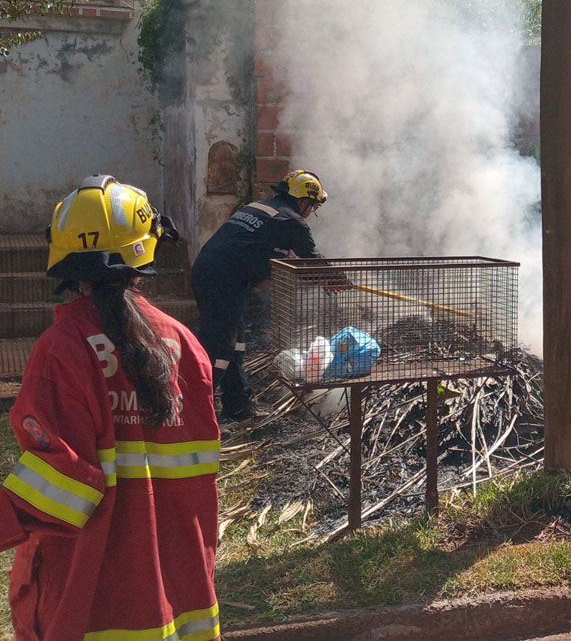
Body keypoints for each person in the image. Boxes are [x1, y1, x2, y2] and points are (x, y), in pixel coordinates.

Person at [0, 175, 221, 641]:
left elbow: (61, 488)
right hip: (178, 583)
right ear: (147, 252)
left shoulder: (62, 350)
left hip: (90, 590)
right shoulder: (186, 346)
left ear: (65, 261)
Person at [192, 168, 346, 422]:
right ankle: (192, 415)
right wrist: (336, 278)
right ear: (304, 201)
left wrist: (320, 278)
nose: (311, 211)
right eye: (313, 206)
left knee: (235, 344)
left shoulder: (260, 208)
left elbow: (277, 262)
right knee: (219, 350)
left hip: (209, 273)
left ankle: (238, 408)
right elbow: (311, 260)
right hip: (223, 282)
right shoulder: (292, 221)